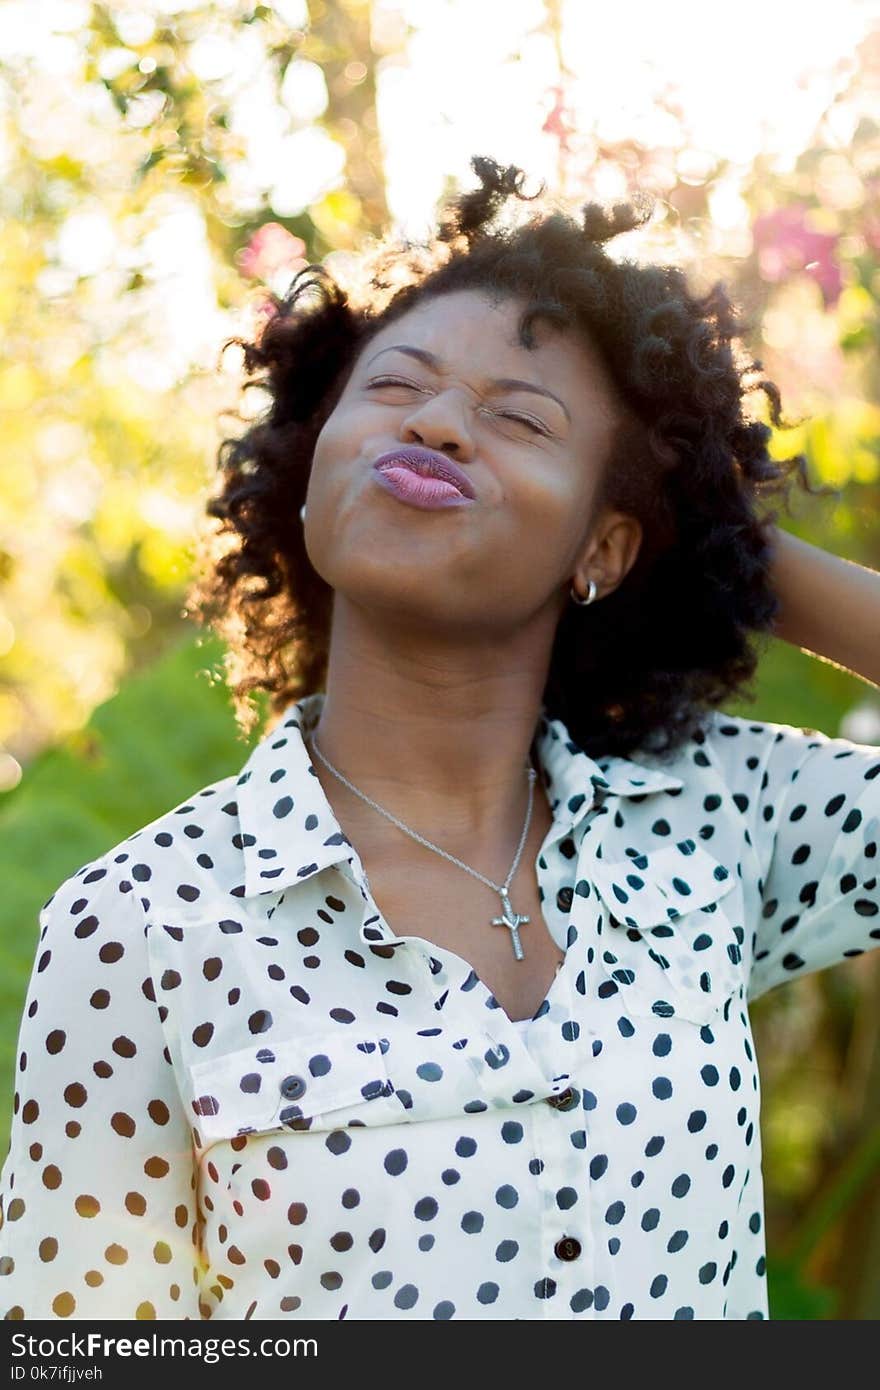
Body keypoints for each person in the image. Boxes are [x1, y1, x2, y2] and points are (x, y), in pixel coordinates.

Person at [1, 156, 878, 1322]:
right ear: (306, 480)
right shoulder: (141, 923)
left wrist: (732, 548)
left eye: (517, 417)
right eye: (393, 387)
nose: (433, 421)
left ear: (602, 550)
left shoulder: (719, 817)